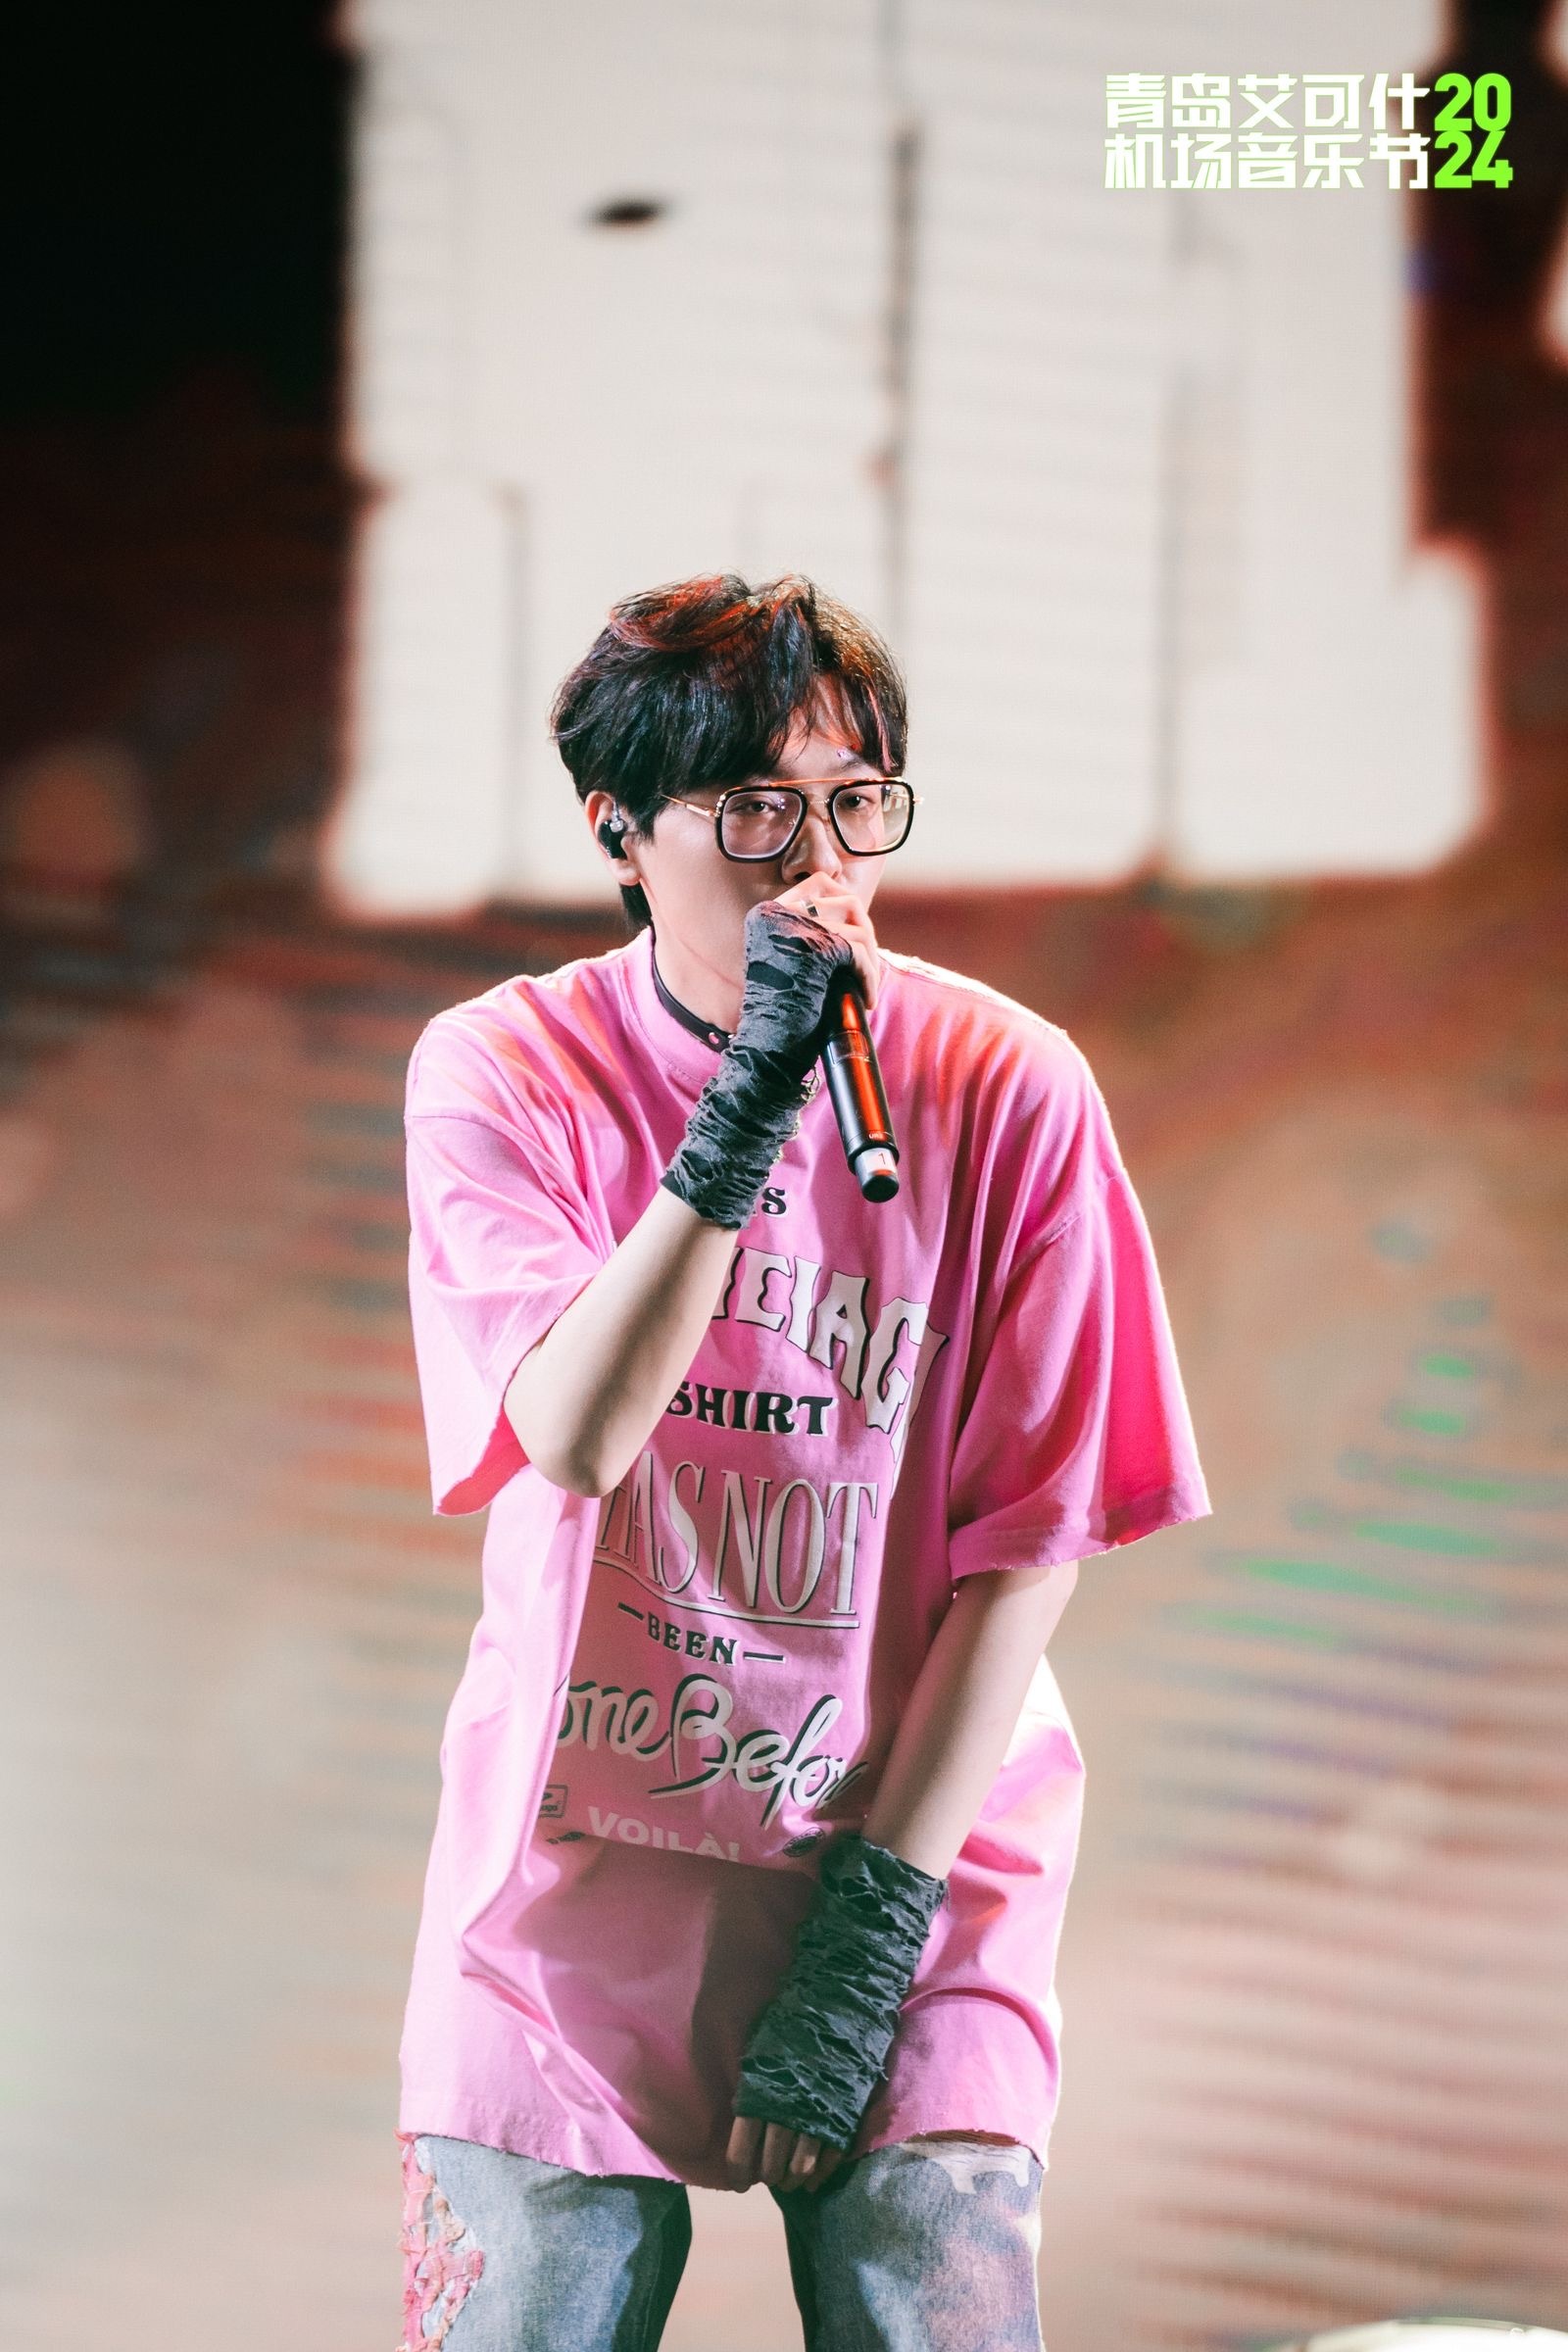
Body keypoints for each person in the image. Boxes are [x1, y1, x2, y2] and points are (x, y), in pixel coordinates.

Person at [394, 573, 1210, 2352]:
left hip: (907, 1843)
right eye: (755, 810)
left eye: (855, 804)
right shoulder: (505, 1072)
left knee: (931, 2290)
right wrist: (745, 1107)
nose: (819, 863)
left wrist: (867, 1945)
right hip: (578, 1863)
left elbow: (1028, 1543)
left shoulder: (1007, 1085)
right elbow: (577, 1430)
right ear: (620, 831)